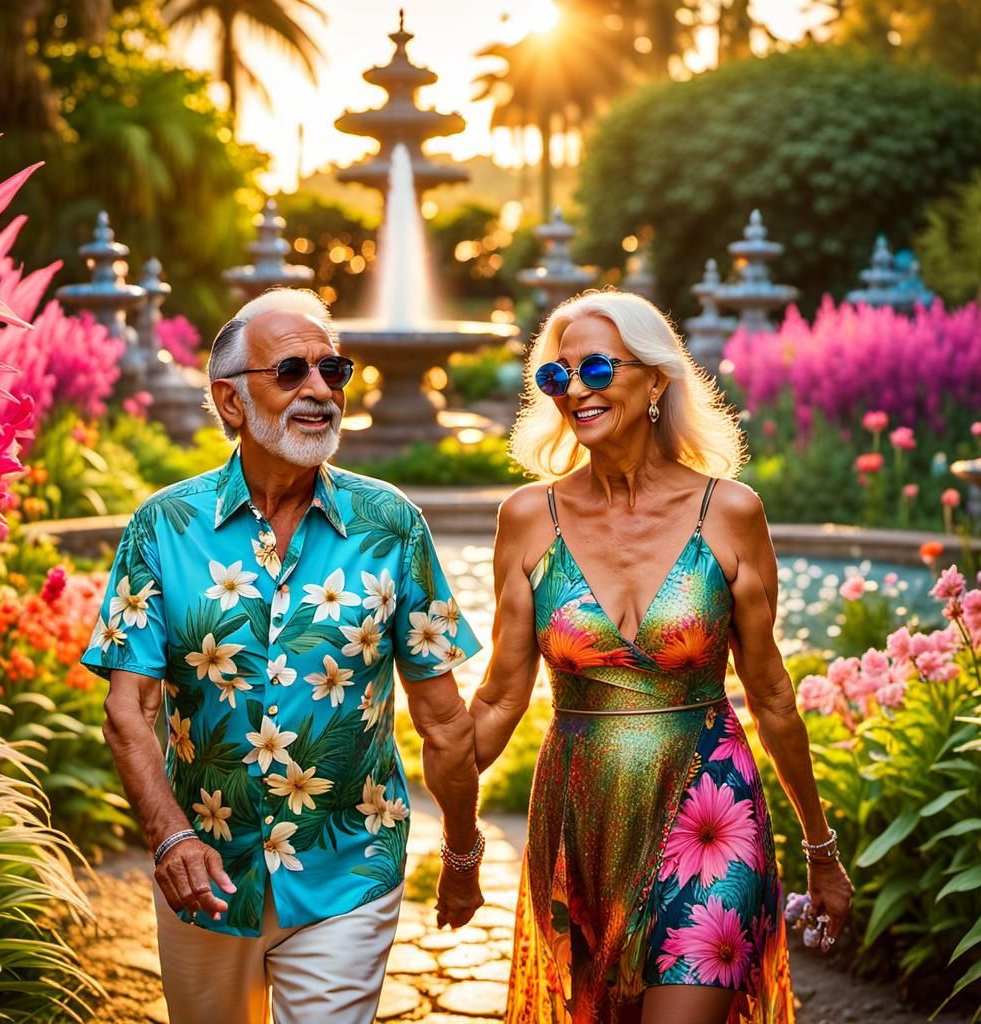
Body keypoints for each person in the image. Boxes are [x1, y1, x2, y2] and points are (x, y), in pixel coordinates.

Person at [81, 288, 485, 1024]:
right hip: (202, 870)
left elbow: (444, 721)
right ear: (230, 402)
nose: (320, 390)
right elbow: (128, 710)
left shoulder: (391, 525)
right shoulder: (162, 528)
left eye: (334, 370)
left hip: (349, 866)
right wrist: (169, 836)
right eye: (292, 370)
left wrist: (463, 854)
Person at [468, 290, 854, 1024]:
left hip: (711, 806)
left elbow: (772, 696)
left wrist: (821, 847)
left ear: (654, 380)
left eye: (595, 368)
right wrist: (440, 774)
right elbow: (497, 698)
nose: (574, 389)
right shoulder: (526, 518)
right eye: (556, 376)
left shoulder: (730, 511)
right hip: (585, 816)